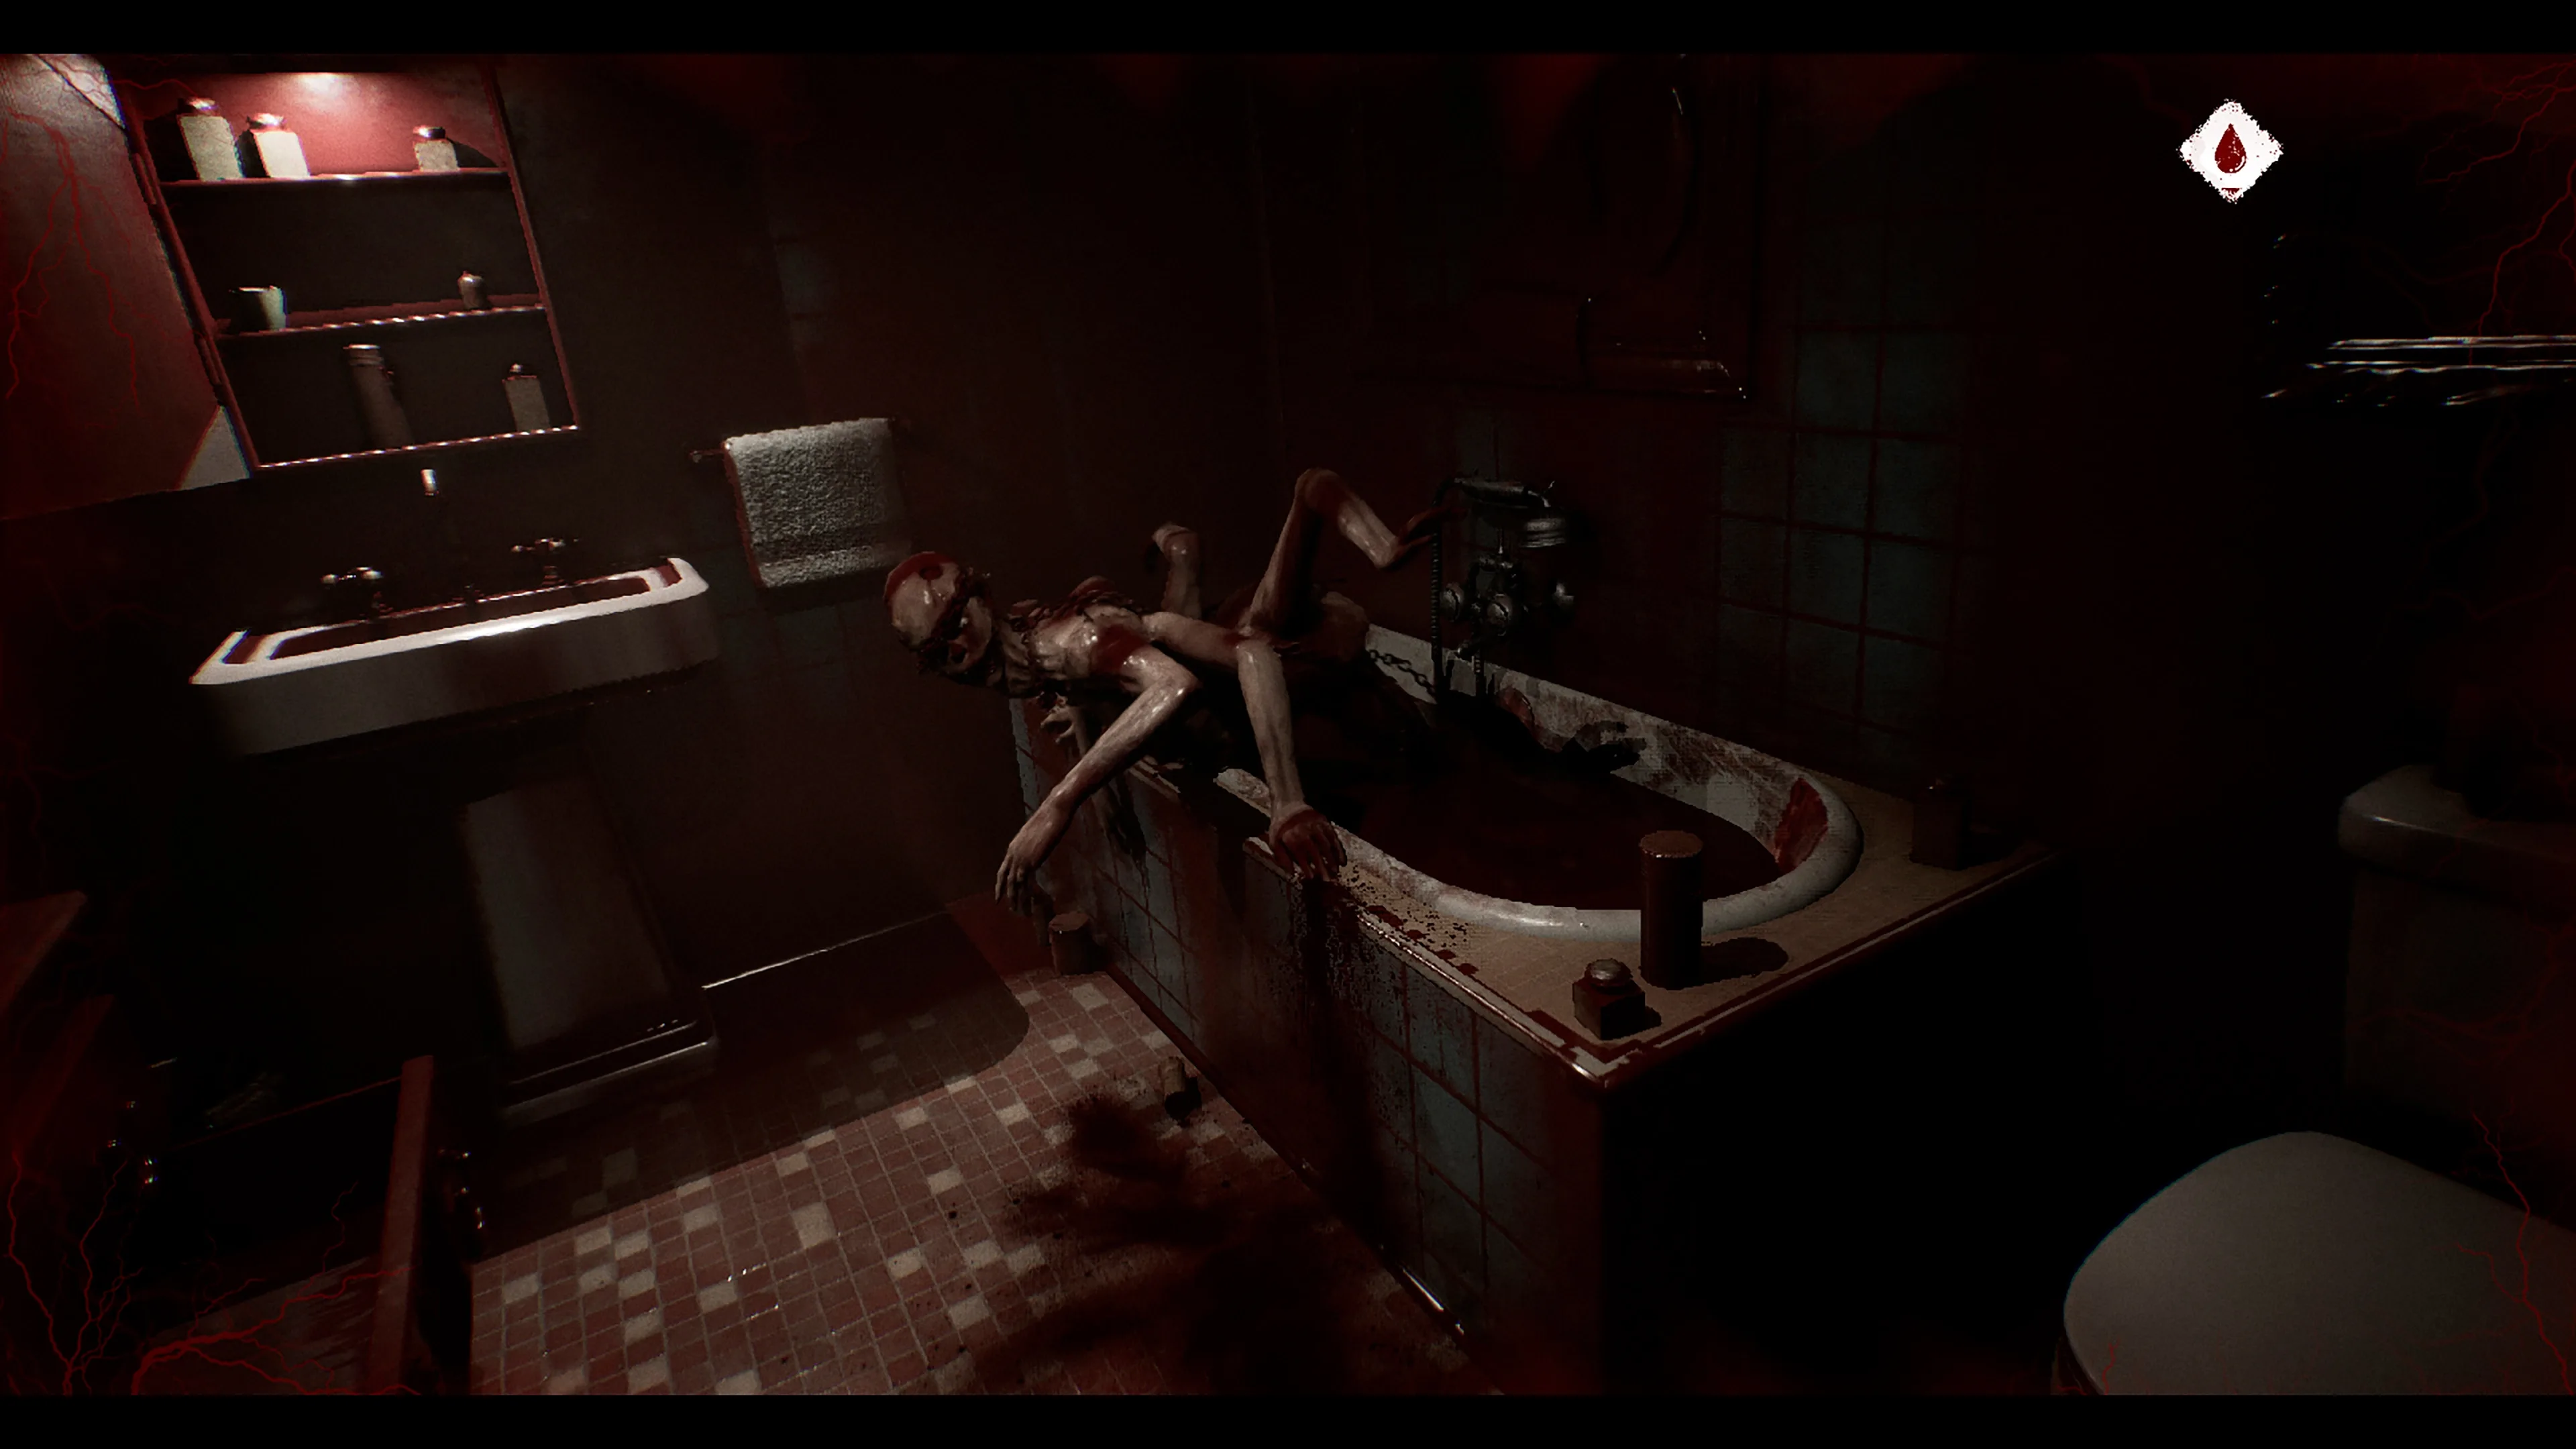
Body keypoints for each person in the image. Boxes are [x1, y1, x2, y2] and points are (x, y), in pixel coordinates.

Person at [885, 468, 1446, 912]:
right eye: (937, 654)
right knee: (1188, 627)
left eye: (953, 626)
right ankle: (1181, 547)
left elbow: (1182, 679)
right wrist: (1093, 765)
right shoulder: (1035, 634)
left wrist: (1288, 803)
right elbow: (1091, 677)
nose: (956, 656)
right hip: (1213, 653)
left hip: (1285, 654)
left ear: (979, 602)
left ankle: (1364, 550)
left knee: (1263, 643)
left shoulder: (1078, 643)